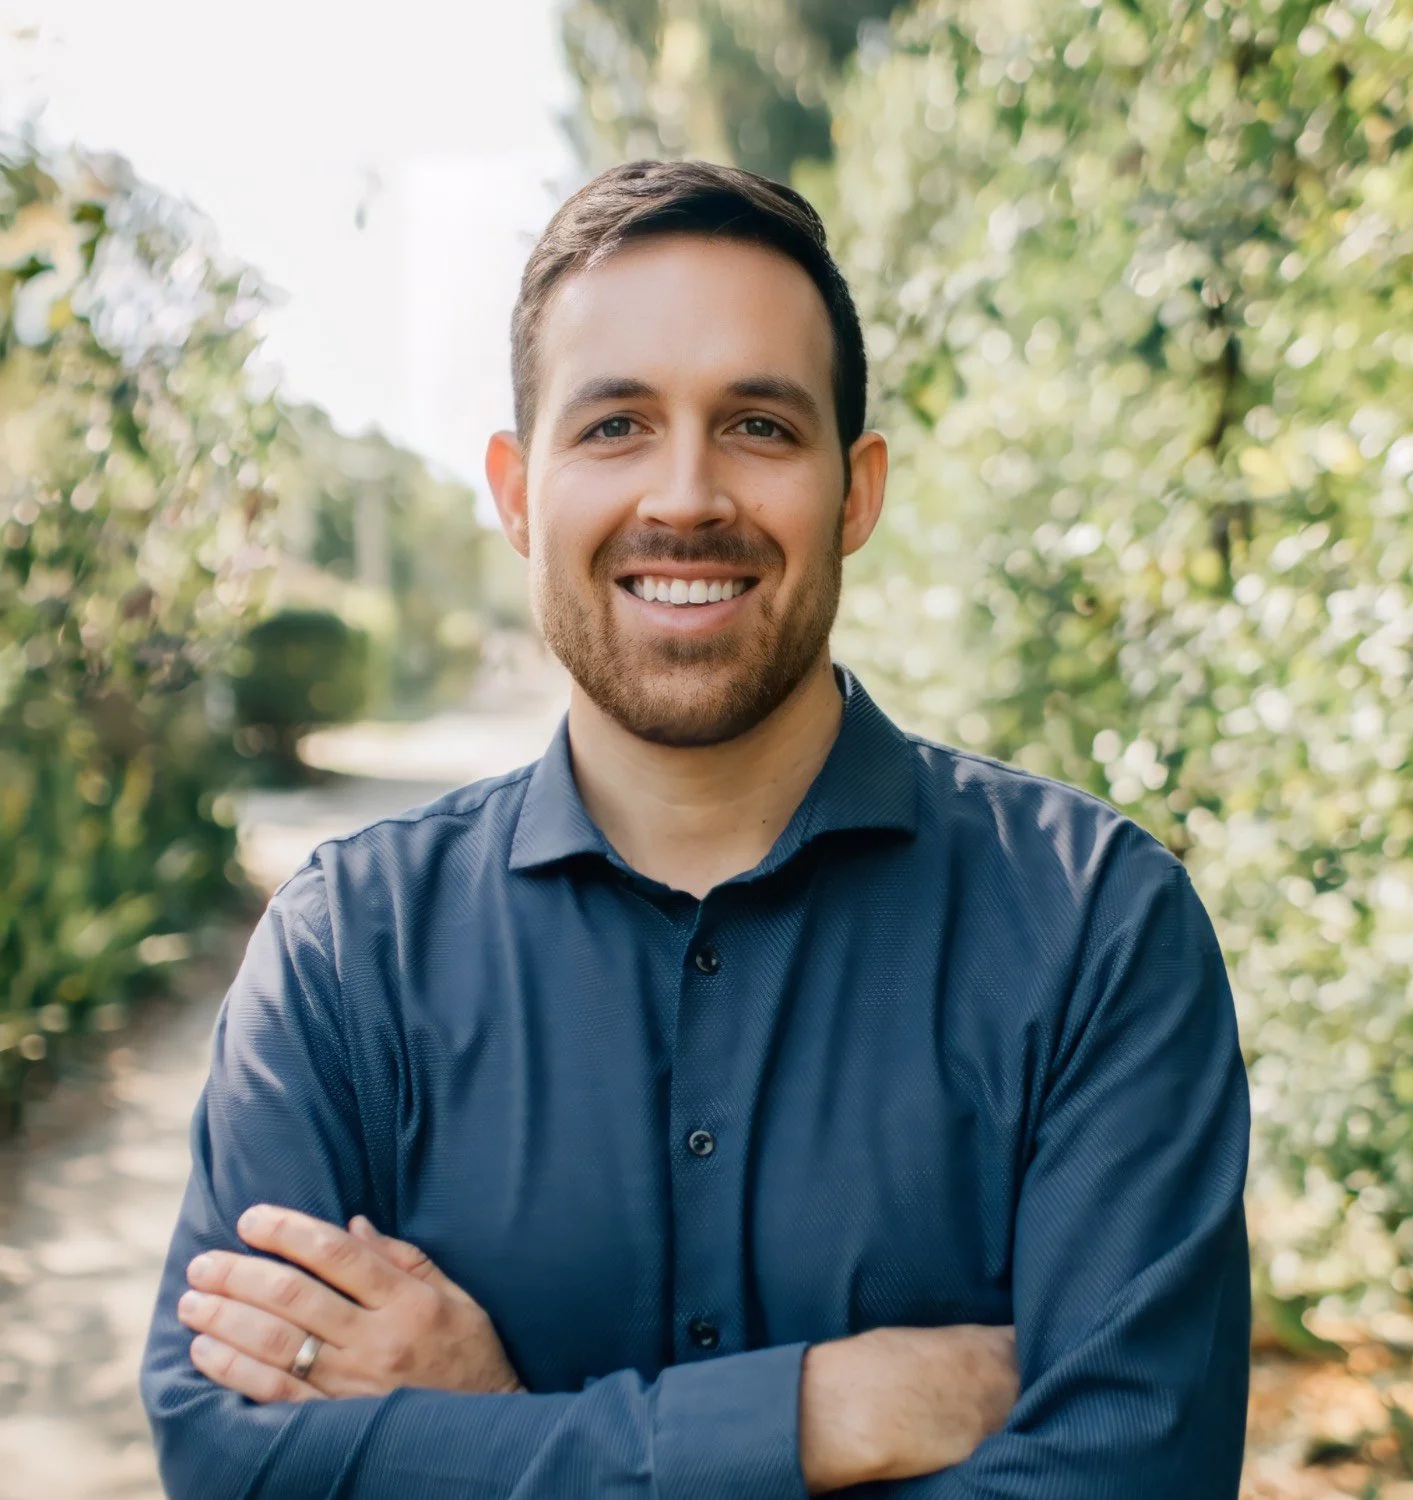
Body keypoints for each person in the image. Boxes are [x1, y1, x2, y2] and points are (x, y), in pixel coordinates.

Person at [140, 159, 1251, 1499]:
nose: (685, 496)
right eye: (614, 426)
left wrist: (487, 1435)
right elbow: (234, 1465)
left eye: (760, 427)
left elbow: (1125, 1480)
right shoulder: (346, 956)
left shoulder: (1096, 930)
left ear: (857, 490)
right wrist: (809, 1416)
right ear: (515, 491)